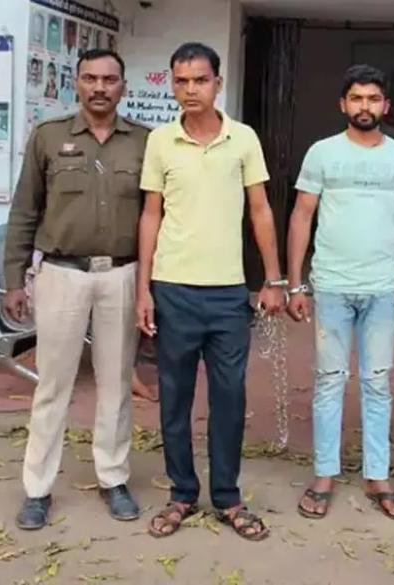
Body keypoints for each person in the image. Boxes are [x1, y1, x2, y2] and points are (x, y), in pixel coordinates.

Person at [137, 42, 284, 542]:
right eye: (181, 81)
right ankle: (182, 493)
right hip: (173, 289)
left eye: (200, 80)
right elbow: (151, 214)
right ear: (172, 84)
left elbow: (260, 209)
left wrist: (273, 279)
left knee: (229, 398)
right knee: (174, 397)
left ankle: (227, 497)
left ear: (218, 83)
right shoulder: (161, 141)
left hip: (228, 294)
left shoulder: (243, 139)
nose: (190, 90)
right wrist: (144, 288)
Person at [4, 48, 150, 531]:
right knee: (53, 384)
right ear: (77, 83)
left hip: (122, 275)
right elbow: (24, 211)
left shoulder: (144, 142)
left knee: (116, 382)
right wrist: (13, 280)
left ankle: (113, 477)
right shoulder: (48, 137)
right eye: (90, 78)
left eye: (109, 79)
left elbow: (157, 216)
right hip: (61, 274)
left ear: (123, 86)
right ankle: (37, 488)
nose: (99, 88)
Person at [287, 64, 394, 521]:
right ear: (343, 104)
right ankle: (324, 474)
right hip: (332, 286)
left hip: (382, 287)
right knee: (329, 380)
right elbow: (302, 216)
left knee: (378, 382)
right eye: (357, 98)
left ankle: (377, 476)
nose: (365, 106)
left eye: (373, 98)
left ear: (386, 106)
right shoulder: (322, 153)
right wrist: (296, 283)